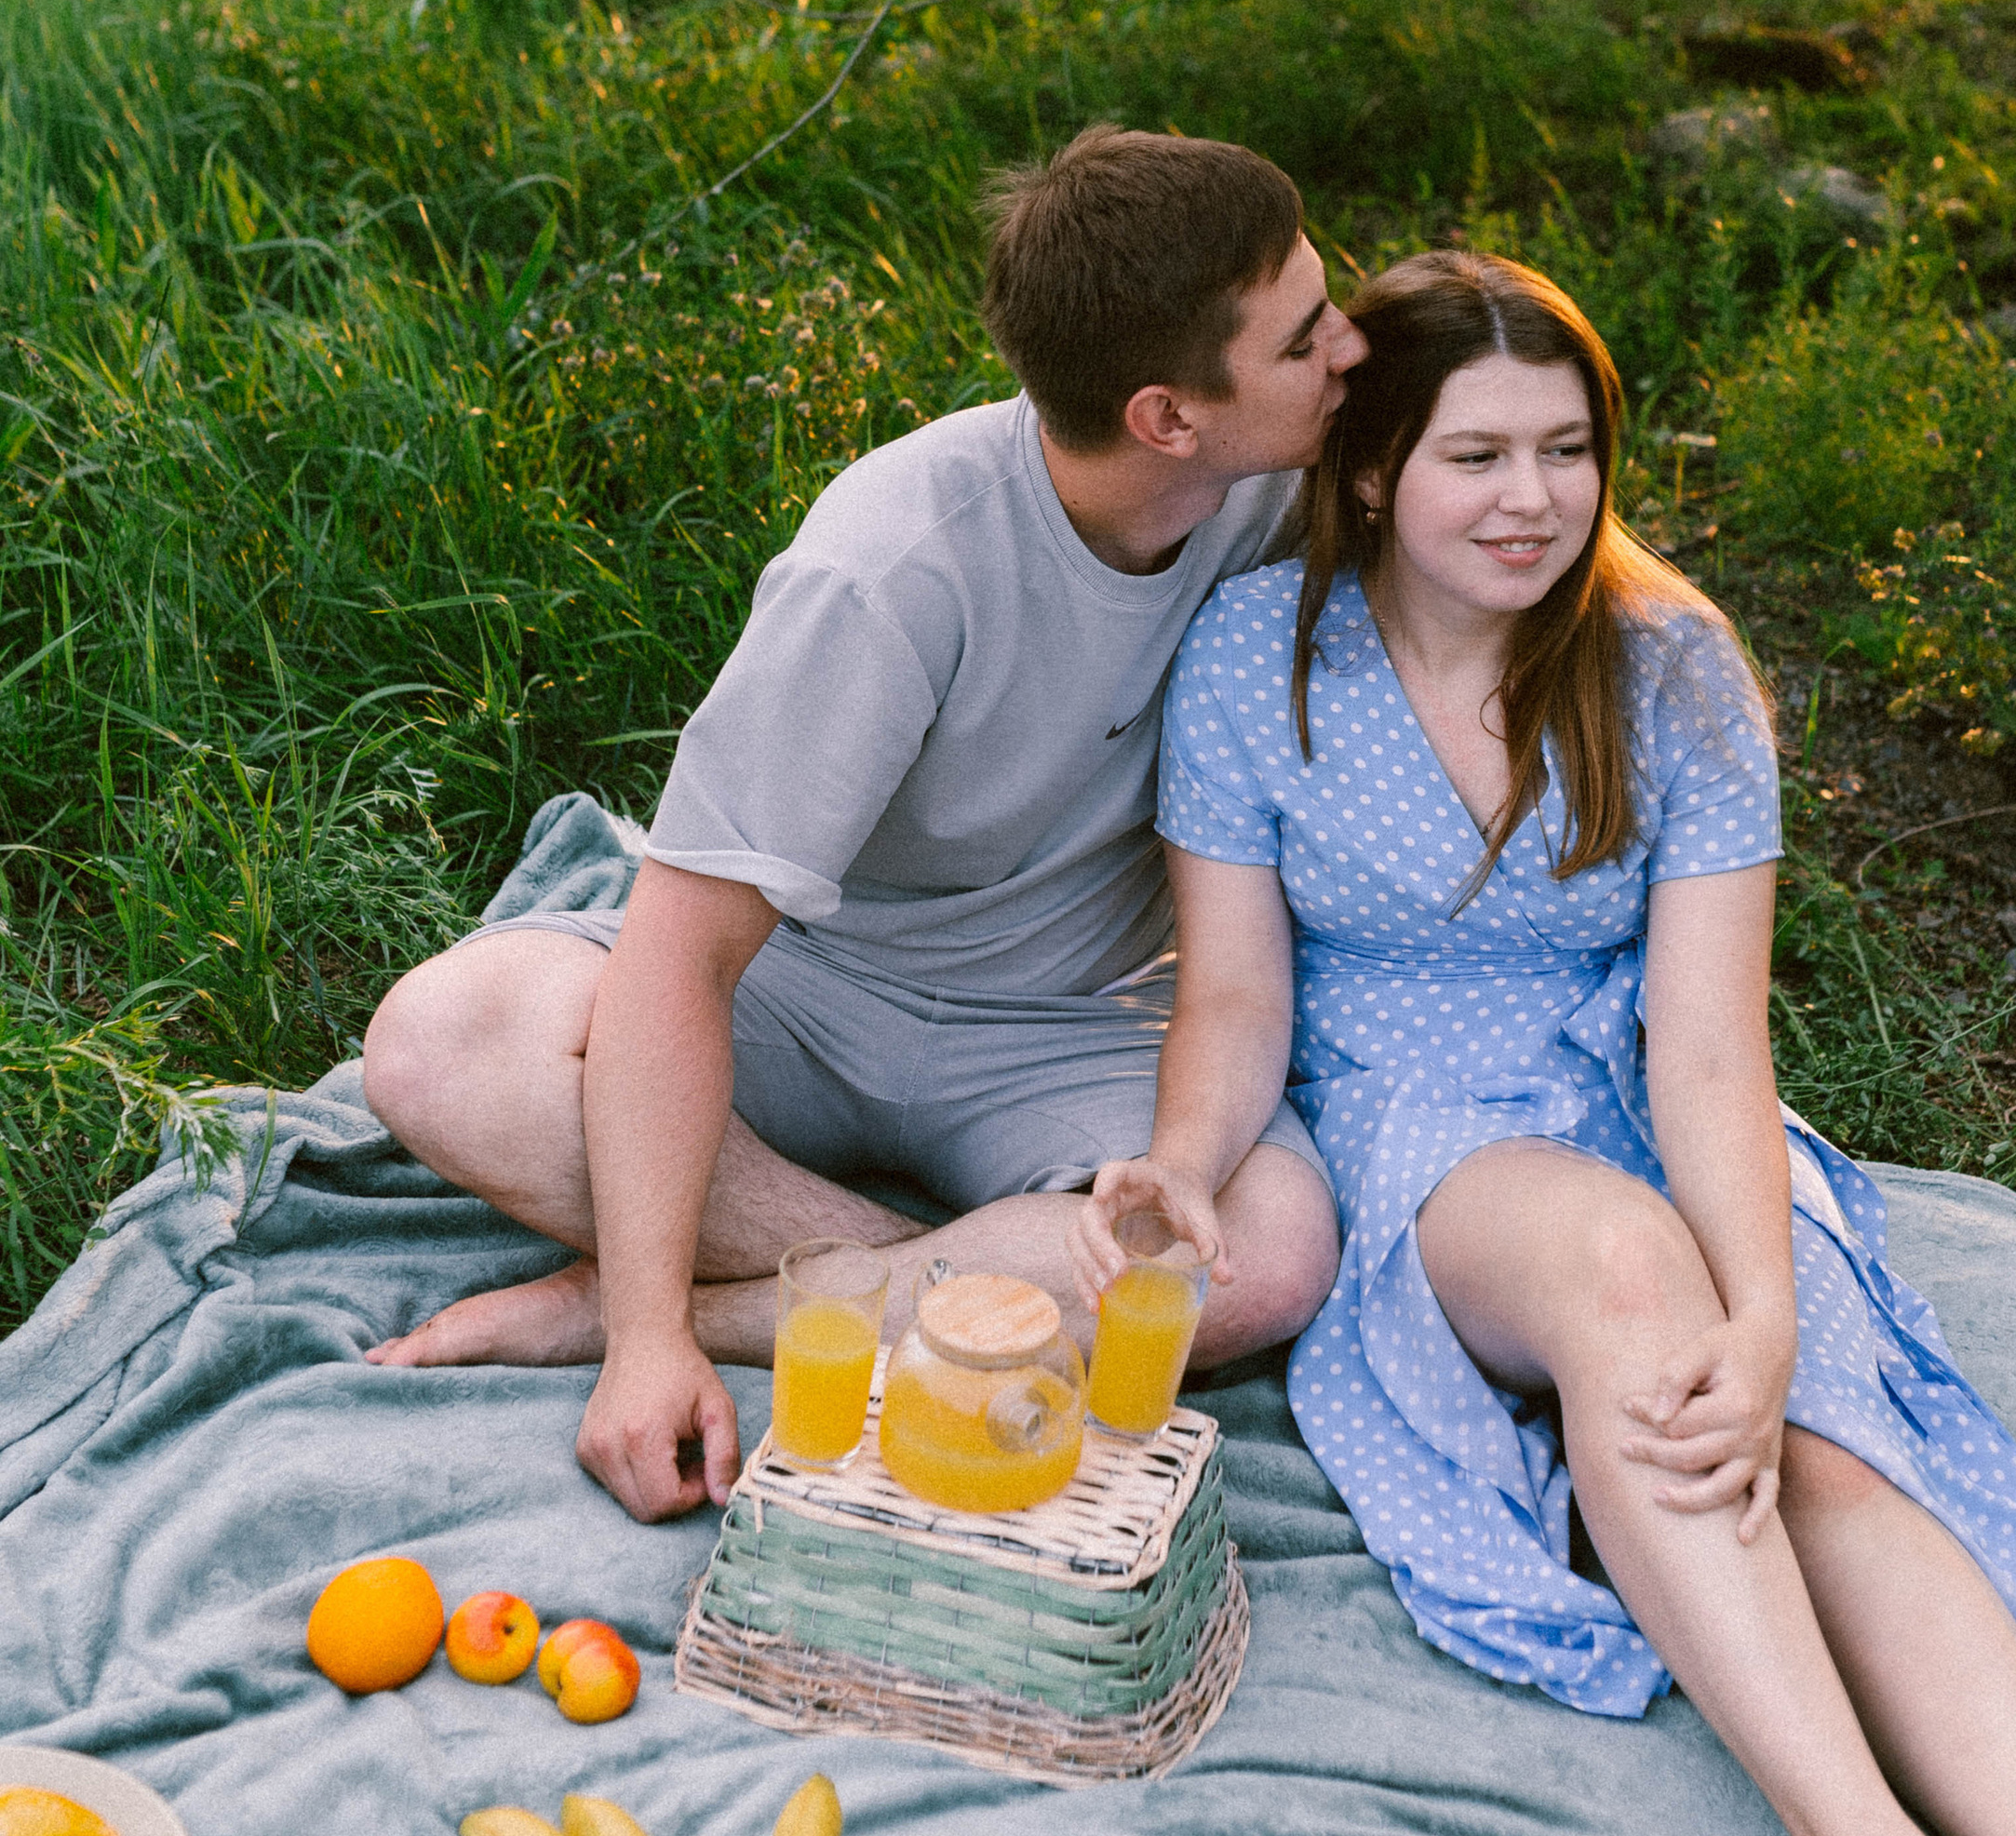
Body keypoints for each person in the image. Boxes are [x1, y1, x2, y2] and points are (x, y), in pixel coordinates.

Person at [1073, 246, 2016, 1836]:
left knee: (1807, 1443)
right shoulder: (1257, 659)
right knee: (1631, 1292)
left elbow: (1708, 1048)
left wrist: (1776, 1312)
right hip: (1420, 1128)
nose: (1530, 498)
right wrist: (1193, 1167)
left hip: (1643, 1101)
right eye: (1475, 452)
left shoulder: (1669, 668)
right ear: (1369, 467)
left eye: (1566, 447)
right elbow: (1230, 1001)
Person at [361, 127, 1353, 1521]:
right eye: (1308, 337)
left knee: (1269, 1252)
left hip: (1065, 1024)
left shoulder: (1295, 489)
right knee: (441, 1045)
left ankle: (712, 1303)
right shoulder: (894, 563)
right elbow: (680, 954)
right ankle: (916, 1292)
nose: (1351, 348)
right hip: (807, 991)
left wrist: (649, 1311)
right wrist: (647, 1357)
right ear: (1166, 419)